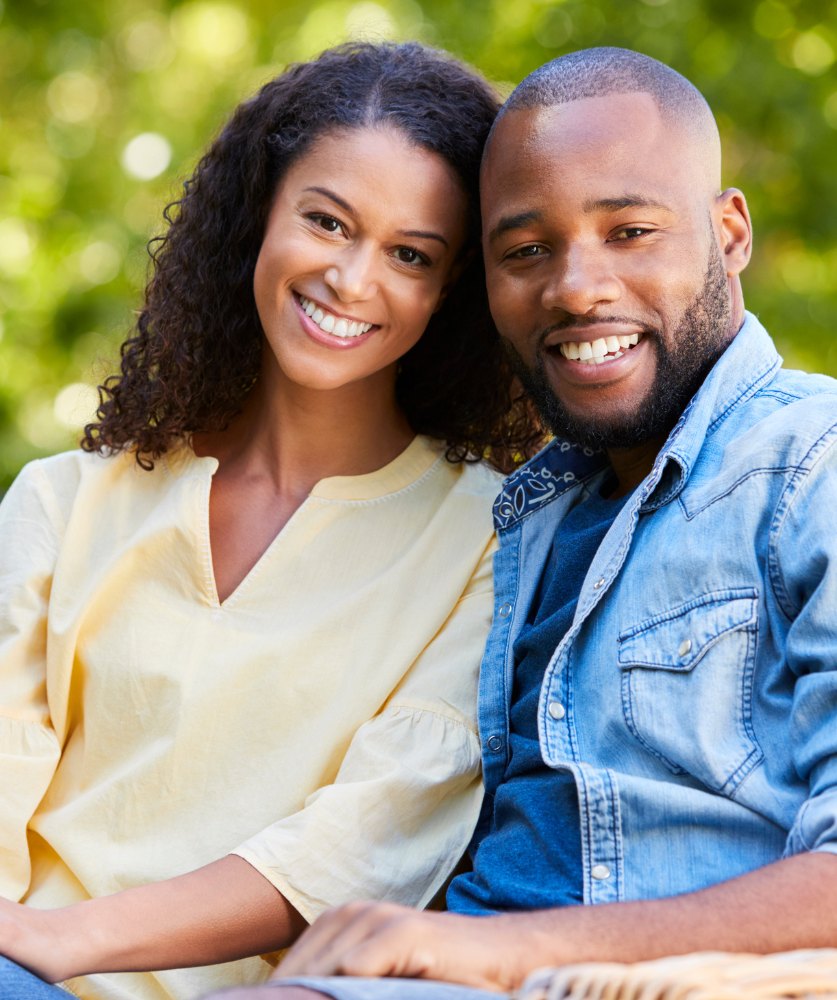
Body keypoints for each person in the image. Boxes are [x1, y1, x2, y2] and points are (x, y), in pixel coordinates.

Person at [228, 47, 837, 1000]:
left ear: (729, 233)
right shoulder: (522, 524)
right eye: (525, 251)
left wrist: (508, 953)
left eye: (629, 230)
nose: (575, 287)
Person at [0, 41, 543, 1000]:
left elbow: (366, 844)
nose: (352, 279)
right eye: (328, 222)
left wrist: (73, 944)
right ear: (262, 213)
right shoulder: (65, 501)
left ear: (449, 288)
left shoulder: (488, 544)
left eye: (409, 254)